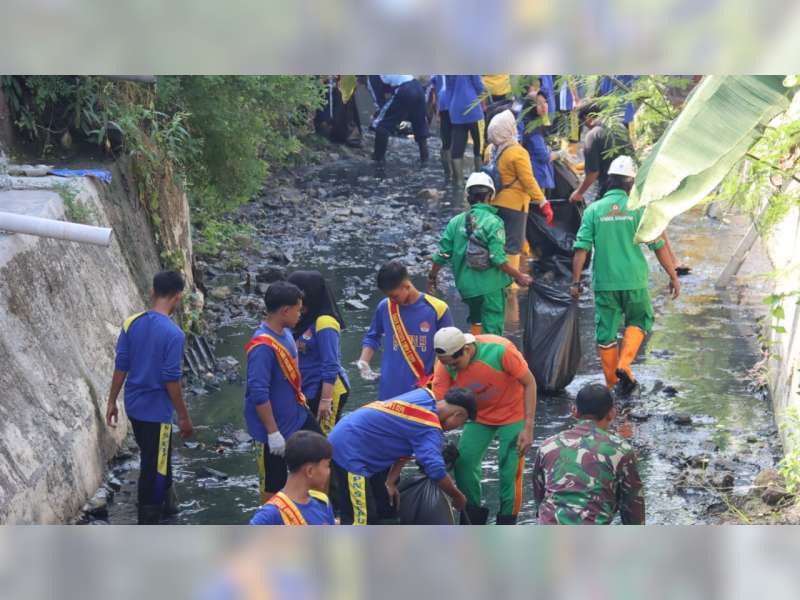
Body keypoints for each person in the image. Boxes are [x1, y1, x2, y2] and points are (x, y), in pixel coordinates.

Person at [571, 156, 680, 396]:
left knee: (606, 333)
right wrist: (673, 275)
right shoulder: (639, 209)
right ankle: (624, 365)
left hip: (605, 283)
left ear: (609, 180)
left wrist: (576, 282)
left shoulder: (594, 210)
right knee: (639, 320)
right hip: (634, 281)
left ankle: (612, 384)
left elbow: (582, 249)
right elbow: (658, 245)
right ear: (632, 182)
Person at [106, 271, 192, 525]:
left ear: (153, 291)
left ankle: (169, 509)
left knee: (155, 456)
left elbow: (121, 365)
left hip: (134, 406)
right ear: (178, 297)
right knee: (154, 468)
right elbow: (171, 380)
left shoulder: (131, 323)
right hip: (158, 412)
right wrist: (184, 417)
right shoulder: (174, 334)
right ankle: (149, 520)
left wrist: (112, 401)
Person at [431, 327, 537, 525]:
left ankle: (507, 524)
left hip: (513, 413)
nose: (452, 368)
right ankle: (472, 519)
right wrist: (436, 444)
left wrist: (528, 427)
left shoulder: (500, 350)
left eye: (456, 363)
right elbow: (437, 410)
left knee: (509, 470)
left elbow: (530, 383)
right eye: (448, 365)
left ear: (468, 350)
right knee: (464, 463)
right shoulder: (444, 365)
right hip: (478, 416)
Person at [328, 386, 476, 525]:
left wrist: (391, 481)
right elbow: (436, 471)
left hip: (350, 432)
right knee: (361, 518)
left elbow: (402, 437)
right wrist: (457, 496)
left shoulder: (424, 395)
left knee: (385, 506)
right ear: (458, 415)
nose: (456, 427)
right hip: (350, 452)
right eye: (461, 423)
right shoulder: (429, 429)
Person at [244, 281, 324, 504]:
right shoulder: (262, 347)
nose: (301, 313)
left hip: (297, 414)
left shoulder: (286, 333)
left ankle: (310, 507)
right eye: (298, 309)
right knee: (274, 482)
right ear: (285, 311)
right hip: (275, 426)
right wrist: (272, 433)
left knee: (322, 455)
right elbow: (259, 392)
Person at [428, 172, 531, 336]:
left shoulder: (456, 222)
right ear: (490, 196)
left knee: (476, 322)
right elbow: (498, 260)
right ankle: (489, 359)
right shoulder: (494, 222)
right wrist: (519, 276)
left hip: (467, 289)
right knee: (492, 330)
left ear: (468, 196)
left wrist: (433, 276)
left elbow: (442, 254)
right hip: (490, 288)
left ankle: (475, 355)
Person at [532, 383, 644, 524]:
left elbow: (539, 498)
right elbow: (633, 509)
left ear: (575, 411)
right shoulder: (621, 449)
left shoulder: (547, 446)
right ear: (612, 413)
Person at [358, 261, 453, 400]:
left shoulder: (437, 309)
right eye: (388, 296)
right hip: (389, 390)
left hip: (424, 390)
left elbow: (451, 350)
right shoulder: (385, 307)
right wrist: (364, 361)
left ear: (406, 286)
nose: (392, 300)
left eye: (394, 296)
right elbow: (372, 336)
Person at [484, 109, 553, 285]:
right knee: (513, 246)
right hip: (515, 206)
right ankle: (510, 284)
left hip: (494, 202)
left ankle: (497, 278)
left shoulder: (491, 150)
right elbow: (528, 181)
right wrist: (543, 202)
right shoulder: (518, 152)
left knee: (498, 243)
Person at [287, 271, 349, 435]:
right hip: (309, 389)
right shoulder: (302, 321)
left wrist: (325, 401)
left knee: (323, 440)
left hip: (327, 389)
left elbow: (330, 364)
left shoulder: (325, 323)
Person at [249, 431, 336, 525]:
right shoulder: (270, 515)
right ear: (310, 471)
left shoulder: (322, 502)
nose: (329, 472)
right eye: (327, 465)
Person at [569, 101, 633, 204]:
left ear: (587, 118)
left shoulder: (592, 136)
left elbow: (593, 173)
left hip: (608, 188)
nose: (585, 126)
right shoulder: (620, 127)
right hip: (628, 186)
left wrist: (579, 193)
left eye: (583, 122)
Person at [372, 75, 429, 165]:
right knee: (420, 127)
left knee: (381, 125)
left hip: (404, 89)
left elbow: (378, 101)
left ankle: (378, 160)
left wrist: (383, 116)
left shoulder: (372, 77)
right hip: (418, 88)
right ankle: (425, 160)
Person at [447, 75, 485, 185]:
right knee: (479, 146)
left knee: (457, 149)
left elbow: (449, 89)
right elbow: (478, 86)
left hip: (456, 110)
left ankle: (459, 182)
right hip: (473, 109)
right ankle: (479, 180)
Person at [520, 90, 555, 197]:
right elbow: (543, 156)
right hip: (537, 176)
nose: (544, 107)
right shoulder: (532, 128)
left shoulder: (532, 121)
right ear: (531, 107)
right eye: (539, 104)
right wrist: (559, 154)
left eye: (545, 102)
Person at [430, 74, 452, 181]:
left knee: (446, 142)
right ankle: (454, 174)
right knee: (455, 138)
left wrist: (437, 111)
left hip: (444, 105)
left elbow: (434, 92)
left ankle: (448, 173)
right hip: (454, 103)